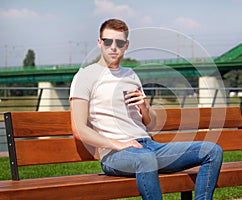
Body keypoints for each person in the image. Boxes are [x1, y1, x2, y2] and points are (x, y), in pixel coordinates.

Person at [69, 18, 223, 200]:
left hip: (148, 146)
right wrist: (119, 144)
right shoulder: (85, 76)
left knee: (212, 151)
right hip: (115, 155)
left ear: (126, 45)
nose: (113, 47)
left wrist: (145, 107)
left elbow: (149, 124)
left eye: (119, 42)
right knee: (145, 158)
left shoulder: (131, 75)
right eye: (108, 41)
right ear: (99, 42)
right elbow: (79, 129)